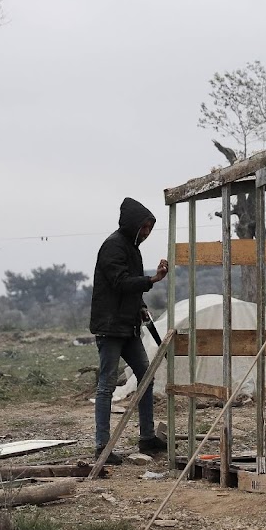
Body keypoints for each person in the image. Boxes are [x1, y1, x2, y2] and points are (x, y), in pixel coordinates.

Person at [89, 197, 170, 465]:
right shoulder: (114, 246)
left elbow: (129, 289)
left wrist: (141, 304)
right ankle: (102, 446)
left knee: (145, 377)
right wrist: (152, 280)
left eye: (149, 228)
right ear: (133, 224)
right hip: (111, 328)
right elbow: (120, 282)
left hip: (128, 325)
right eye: (144, 227)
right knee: (106, 386)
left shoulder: (132, 248)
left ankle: (146, 437)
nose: (146, 233)